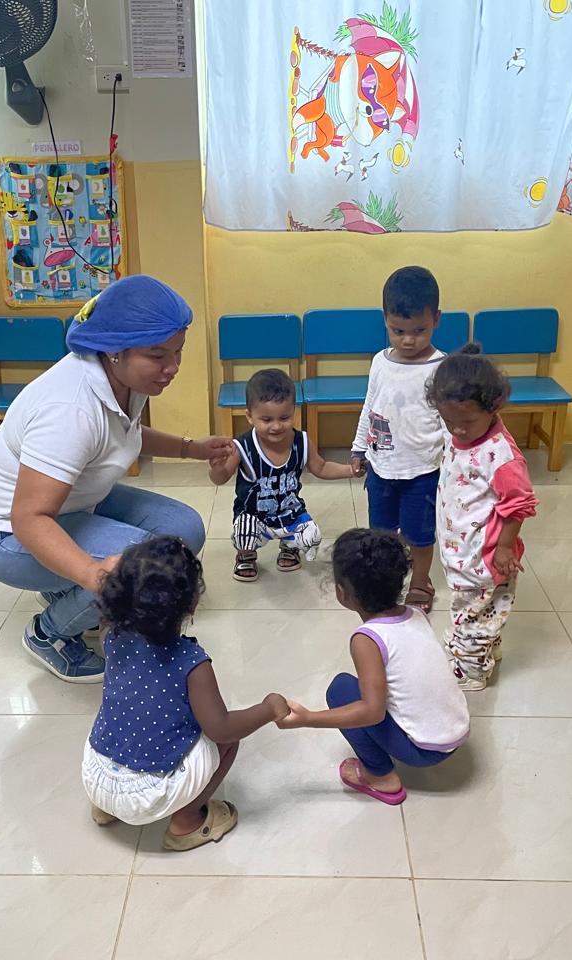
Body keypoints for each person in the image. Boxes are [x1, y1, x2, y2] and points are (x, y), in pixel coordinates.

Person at [0, 276, 233, 683]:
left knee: (184, 529)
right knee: (140, 565)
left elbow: (122, 431)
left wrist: (192, 449)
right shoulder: (69, 409)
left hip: (73, 502)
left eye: (178, 351)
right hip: (6, 535)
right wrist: (96, 576)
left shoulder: (124, 378)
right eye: (158, 355)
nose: (172, 368)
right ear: (113, 350)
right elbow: (28, 518)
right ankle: (49, 634)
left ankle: (66, 589)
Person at [82, 536, 288, 850]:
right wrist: (268, 709)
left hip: (96, 778)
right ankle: (186, 822)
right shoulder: (191, 663)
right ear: (192, 604)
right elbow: (221, 729)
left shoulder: (110, 634)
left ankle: (107, 808)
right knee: (227, 740)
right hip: (152, 794)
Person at [277, 529, 470, 805]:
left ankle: (380, 776)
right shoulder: (416, 613)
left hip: (425, 751)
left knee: (342, 690)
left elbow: (372, 712)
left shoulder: (366, 639)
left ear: (342, 593)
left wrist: (308, 718)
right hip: (456, 733)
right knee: (366, 687)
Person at [426, 344, 538, 691]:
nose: (457, 430)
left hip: (484, 556)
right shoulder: (462, 430)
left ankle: (472, 670)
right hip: (462, 548)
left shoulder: (500, 456)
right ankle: (488, 647)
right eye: (449, 422)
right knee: (482, 608)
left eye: (467, 422)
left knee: (471, 613)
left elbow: (519, 503)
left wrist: (504, 548)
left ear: (493, 407)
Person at [350, 265, 450, 613]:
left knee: (419, 536)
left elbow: (450, 422)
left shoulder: (441, 368)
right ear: (385, 320)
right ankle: (387, 582)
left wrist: (455, 465)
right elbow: (370, 405)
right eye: (398, 330)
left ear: (436, 319)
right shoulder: (380, 362)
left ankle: (420, 582)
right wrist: (359, 447)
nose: (408, 340)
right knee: (381, 534)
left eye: (419, 330)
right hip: (381, 468)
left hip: (423, 472)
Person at [208, 367, 355, 582]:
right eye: (266, 420)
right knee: (243, 534)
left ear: (294, 411)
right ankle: (246, 555)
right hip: (254, 516)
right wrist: (217, 468)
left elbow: (321, 467)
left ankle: (289, 546)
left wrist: (349, 470)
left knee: (312, 536)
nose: (276, 426)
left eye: (284, 418)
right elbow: (220, 479)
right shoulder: (242, 447)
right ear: (249, 416)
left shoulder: (301, 441)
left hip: (290, 512)